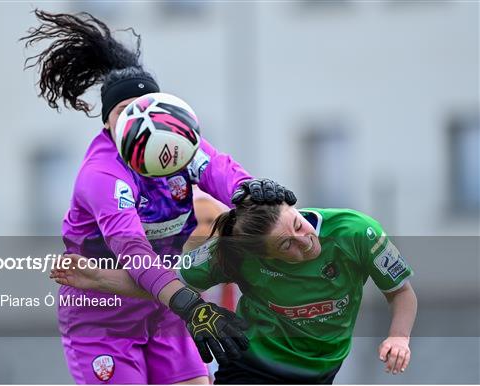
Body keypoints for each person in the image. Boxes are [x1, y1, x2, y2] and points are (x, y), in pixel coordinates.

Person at [21, 9, 296, 385]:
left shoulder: (176, 144)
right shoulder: (103, 174)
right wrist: (191, 305)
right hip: (104, 317)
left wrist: (250, 192)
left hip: (164, 306)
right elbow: (132, 250)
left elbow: (219, 171)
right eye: (123, 113)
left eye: (148, 107)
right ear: (106, 123)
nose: (141, 121)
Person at [51, 198, 417, 384]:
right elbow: (159, 284)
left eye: (298, 225)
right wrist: (99, 278)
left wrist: (399, 337)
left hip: (319, 369)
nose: (303, 242)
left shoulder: (359, 232)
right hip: (251, 363)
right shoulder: (232, 253)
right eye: (286, 246)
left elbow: (401, 292)